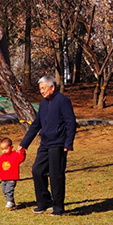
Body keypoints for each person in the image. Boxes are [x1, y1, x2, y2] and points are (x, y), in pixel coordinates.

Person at [19, 74, 77, 216]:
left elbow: (71, 123)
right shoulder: (43, 104)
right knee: (37, 170)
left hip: (58, 143)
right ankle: (44, 202)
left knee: (56, 176)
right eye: (40, 89)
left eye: (44, 88)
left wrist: (68, 143)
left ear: (52, 87)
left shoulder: (63, 101)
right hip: (45, 143)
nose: (42, 91)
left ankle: (58, 208)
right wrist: (24, 144)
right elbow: (36, 125)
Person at [0, 137, 26, 210]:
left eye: (6, 148)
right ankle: (11, 202)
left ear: (11, 147)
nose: (4, 151)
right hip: (3, 178)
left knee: (9, 190)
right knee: (4, 190)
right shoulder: (1, 157)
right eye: (2, 149)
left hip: (12, 177)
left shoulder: (15, 155)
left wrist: (22, 151)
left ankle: (9, 201)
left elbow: (22, 158)